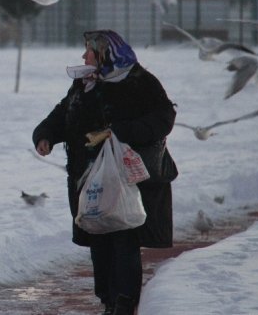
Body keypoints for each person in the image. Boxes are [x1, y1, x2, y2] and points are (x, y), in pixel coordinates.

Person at [32, 30, 177, 315]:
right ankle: (108, 300)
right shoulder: (85, 83)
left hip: (126, 178)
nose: (84, 56)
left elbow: (163, 118)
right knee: (99, 237)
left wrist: (123, 132)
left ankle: (124, 302)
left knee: (123, 237)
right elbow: (63, 115)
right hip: (88, 178)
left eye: (89, 52)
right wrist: (45, 135)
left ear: (106, 54)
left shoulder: (139, 82)